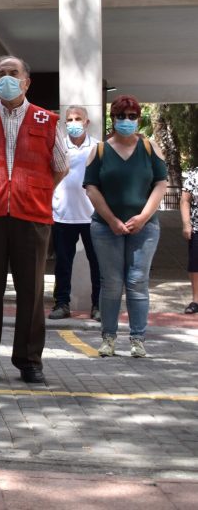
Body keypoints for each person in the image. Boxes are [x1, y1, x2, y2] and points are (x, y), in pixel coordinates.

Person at [0, 56, 67, 384]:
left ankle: (29, 361)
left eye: (13, 73)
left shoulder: (47, 119)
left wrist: (31, 190)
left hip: (31, 216)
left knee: (32, 293)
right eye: (1, 74)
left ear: (26, 82)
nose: (6, 78)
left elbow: (60, 166)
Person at [83, 95, 168, 358]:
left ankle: (137, 339)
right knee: (111, 283)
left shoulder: (150, 147)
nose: (127, 121)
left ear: (138, 119)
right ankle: (108, 338)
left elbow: (161, 184)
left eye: (132, 116)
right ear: (113, 118)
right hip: (106, 227)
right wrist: (111, 220)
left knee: (137, 282)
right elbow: (91, 187)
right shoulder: (99, 150)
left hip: (145, 228)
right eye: (121, 116)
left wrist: (142, 217)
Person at [49, 106, 101, 321]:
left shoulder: (99, 147)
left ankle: (99, 305)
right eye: (69, 119)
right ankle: (62, 304)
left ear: (87, 122)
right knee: (62, 263)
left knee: (98, 263)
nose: (73, 122)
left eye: (78, 118)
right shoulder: (56, 147)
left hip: (93, 216)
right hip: (62, 215)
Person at [182, 167, 198, 314]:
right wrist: (187, 224)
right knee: (195, 264)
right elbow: (185, 200)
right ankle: (196, 300)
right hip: (197, 227)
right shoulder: (194, 174)